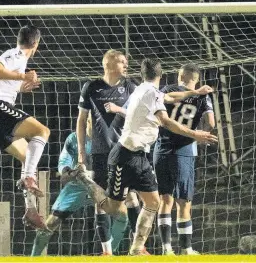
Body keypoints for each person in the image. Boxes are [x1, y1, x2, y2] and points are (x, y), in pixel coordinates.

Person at [68, 58, 218, 256]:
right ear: (162, 75)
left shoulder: (142, 89)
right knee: (113, 207)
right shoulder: (150, 92)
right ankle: (86, 180)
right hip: (124, 156)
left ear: (142, 74)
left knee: (154, 203)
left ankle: (137, 249)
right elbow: (165, 121)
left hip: (140, 157)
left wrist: (195, 92)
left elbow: (171, 97)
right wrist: (195, 134)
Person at [0, 25, 49, 229]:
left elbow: (4, 82)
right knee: (43, 131)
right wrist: (23, 76)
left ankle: (31, 210)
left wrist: (22, 87)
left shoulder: (18, 60)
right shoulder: (16, 54)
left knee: (28, 157)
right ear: (36, 44)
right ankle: (28, 179)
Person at [76, 49, 140, 255]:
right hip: (101, 152)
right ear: (109, 64)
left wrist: (119, 110)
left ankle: (138, 246)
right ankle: (106, 251)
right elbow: (80, 120)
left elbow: (143, 112)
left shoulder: (130, 86)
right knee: (101, 200)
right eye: (122, 62)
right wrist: (81, 152)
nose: (126, 66)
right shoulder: (91, 87)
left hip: (125, 150)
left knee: (131, 197)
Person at [153, 64, 215, 255]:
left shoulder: (166, 90)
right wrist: (199, 130)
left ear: (180, 76)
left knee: (165, 200)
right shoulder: (202, 95)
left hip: (161, 149)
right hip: (184, 151)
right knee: (184, 202)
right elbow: (211, 123)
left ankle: (166, 248)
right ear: (196, 79)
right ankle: (186, 249)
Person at [31, 114, 94, 256]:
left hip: (101, 184)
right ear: (86, 121)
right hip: (77, 185)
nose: (93, 126)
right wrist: (65, 171)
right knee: (51, 223)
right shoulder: (74, 138)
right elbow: (64, 159)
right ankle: (34, 257)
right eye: (90, 122)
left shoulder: (109, 137)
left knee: (121, 214)